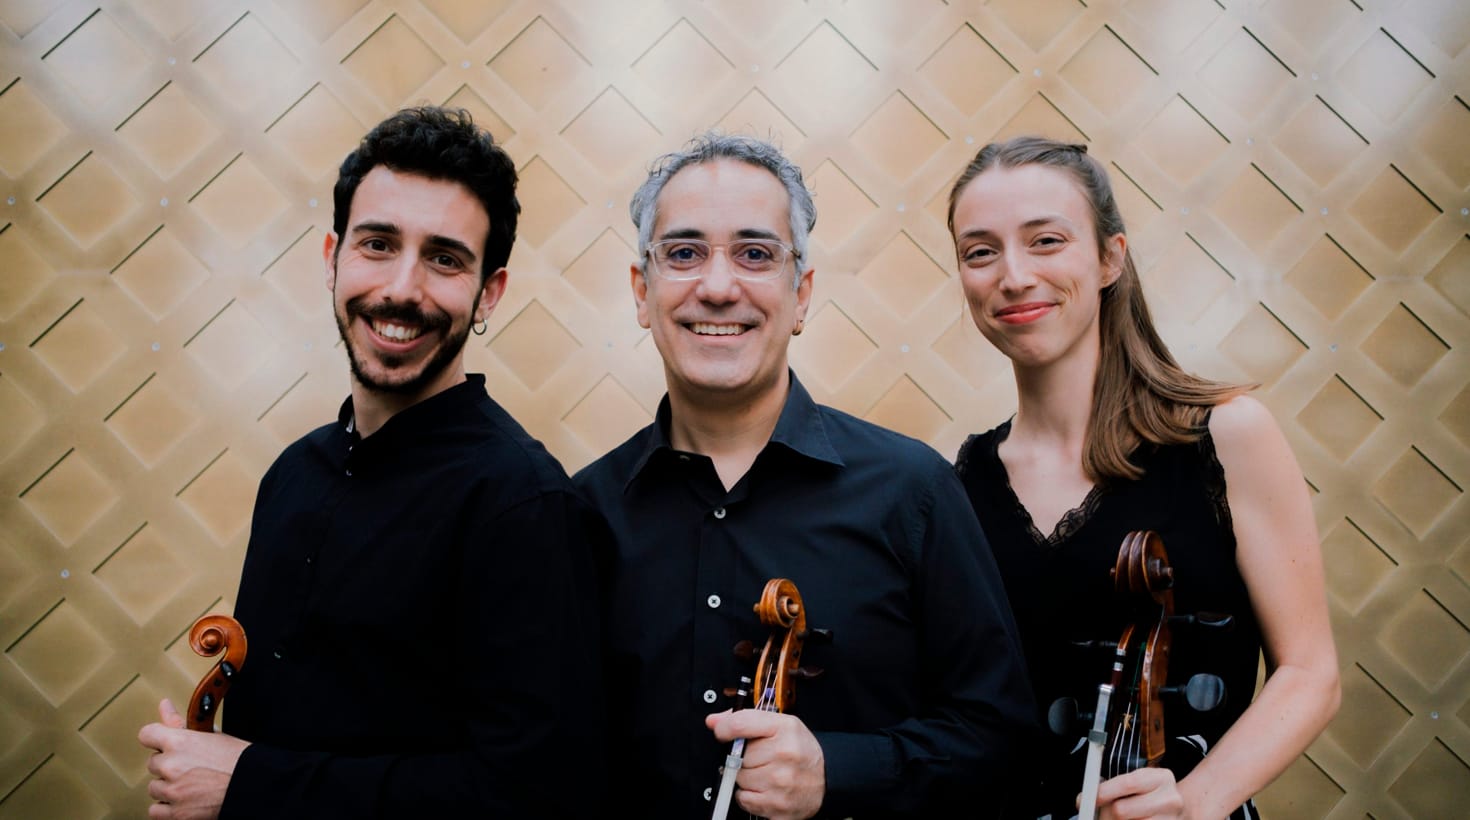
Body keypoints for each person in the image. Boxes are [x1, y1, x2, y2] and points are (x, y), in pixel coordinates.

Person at [137, 106, 607, 819]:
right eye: (378, 244)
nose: (401, 290)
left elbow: (532, 797)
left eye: (445, 258)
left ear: (490, 293)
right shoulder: (293, 474)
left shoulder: (525, 503)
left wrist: (253, 784)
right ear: (332, 258)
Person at [573, 131, 1037, 820]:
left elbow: (1003, 741)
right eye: (684, 254)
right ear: (643, 293)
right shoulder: (580, 514)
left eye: (756, 254)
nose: (719, 286)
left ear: (801, 294)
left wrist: (840, 769)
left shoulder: (913, 491)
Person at [946, 135, 1341, 820]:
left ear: (1109, 258)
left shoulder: (1227, 435)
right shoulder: (962, 480)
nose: (1012, 276)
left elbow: (1311, 675)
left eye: (1045, 241)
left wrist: (1195, 803)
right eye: (981, 252)